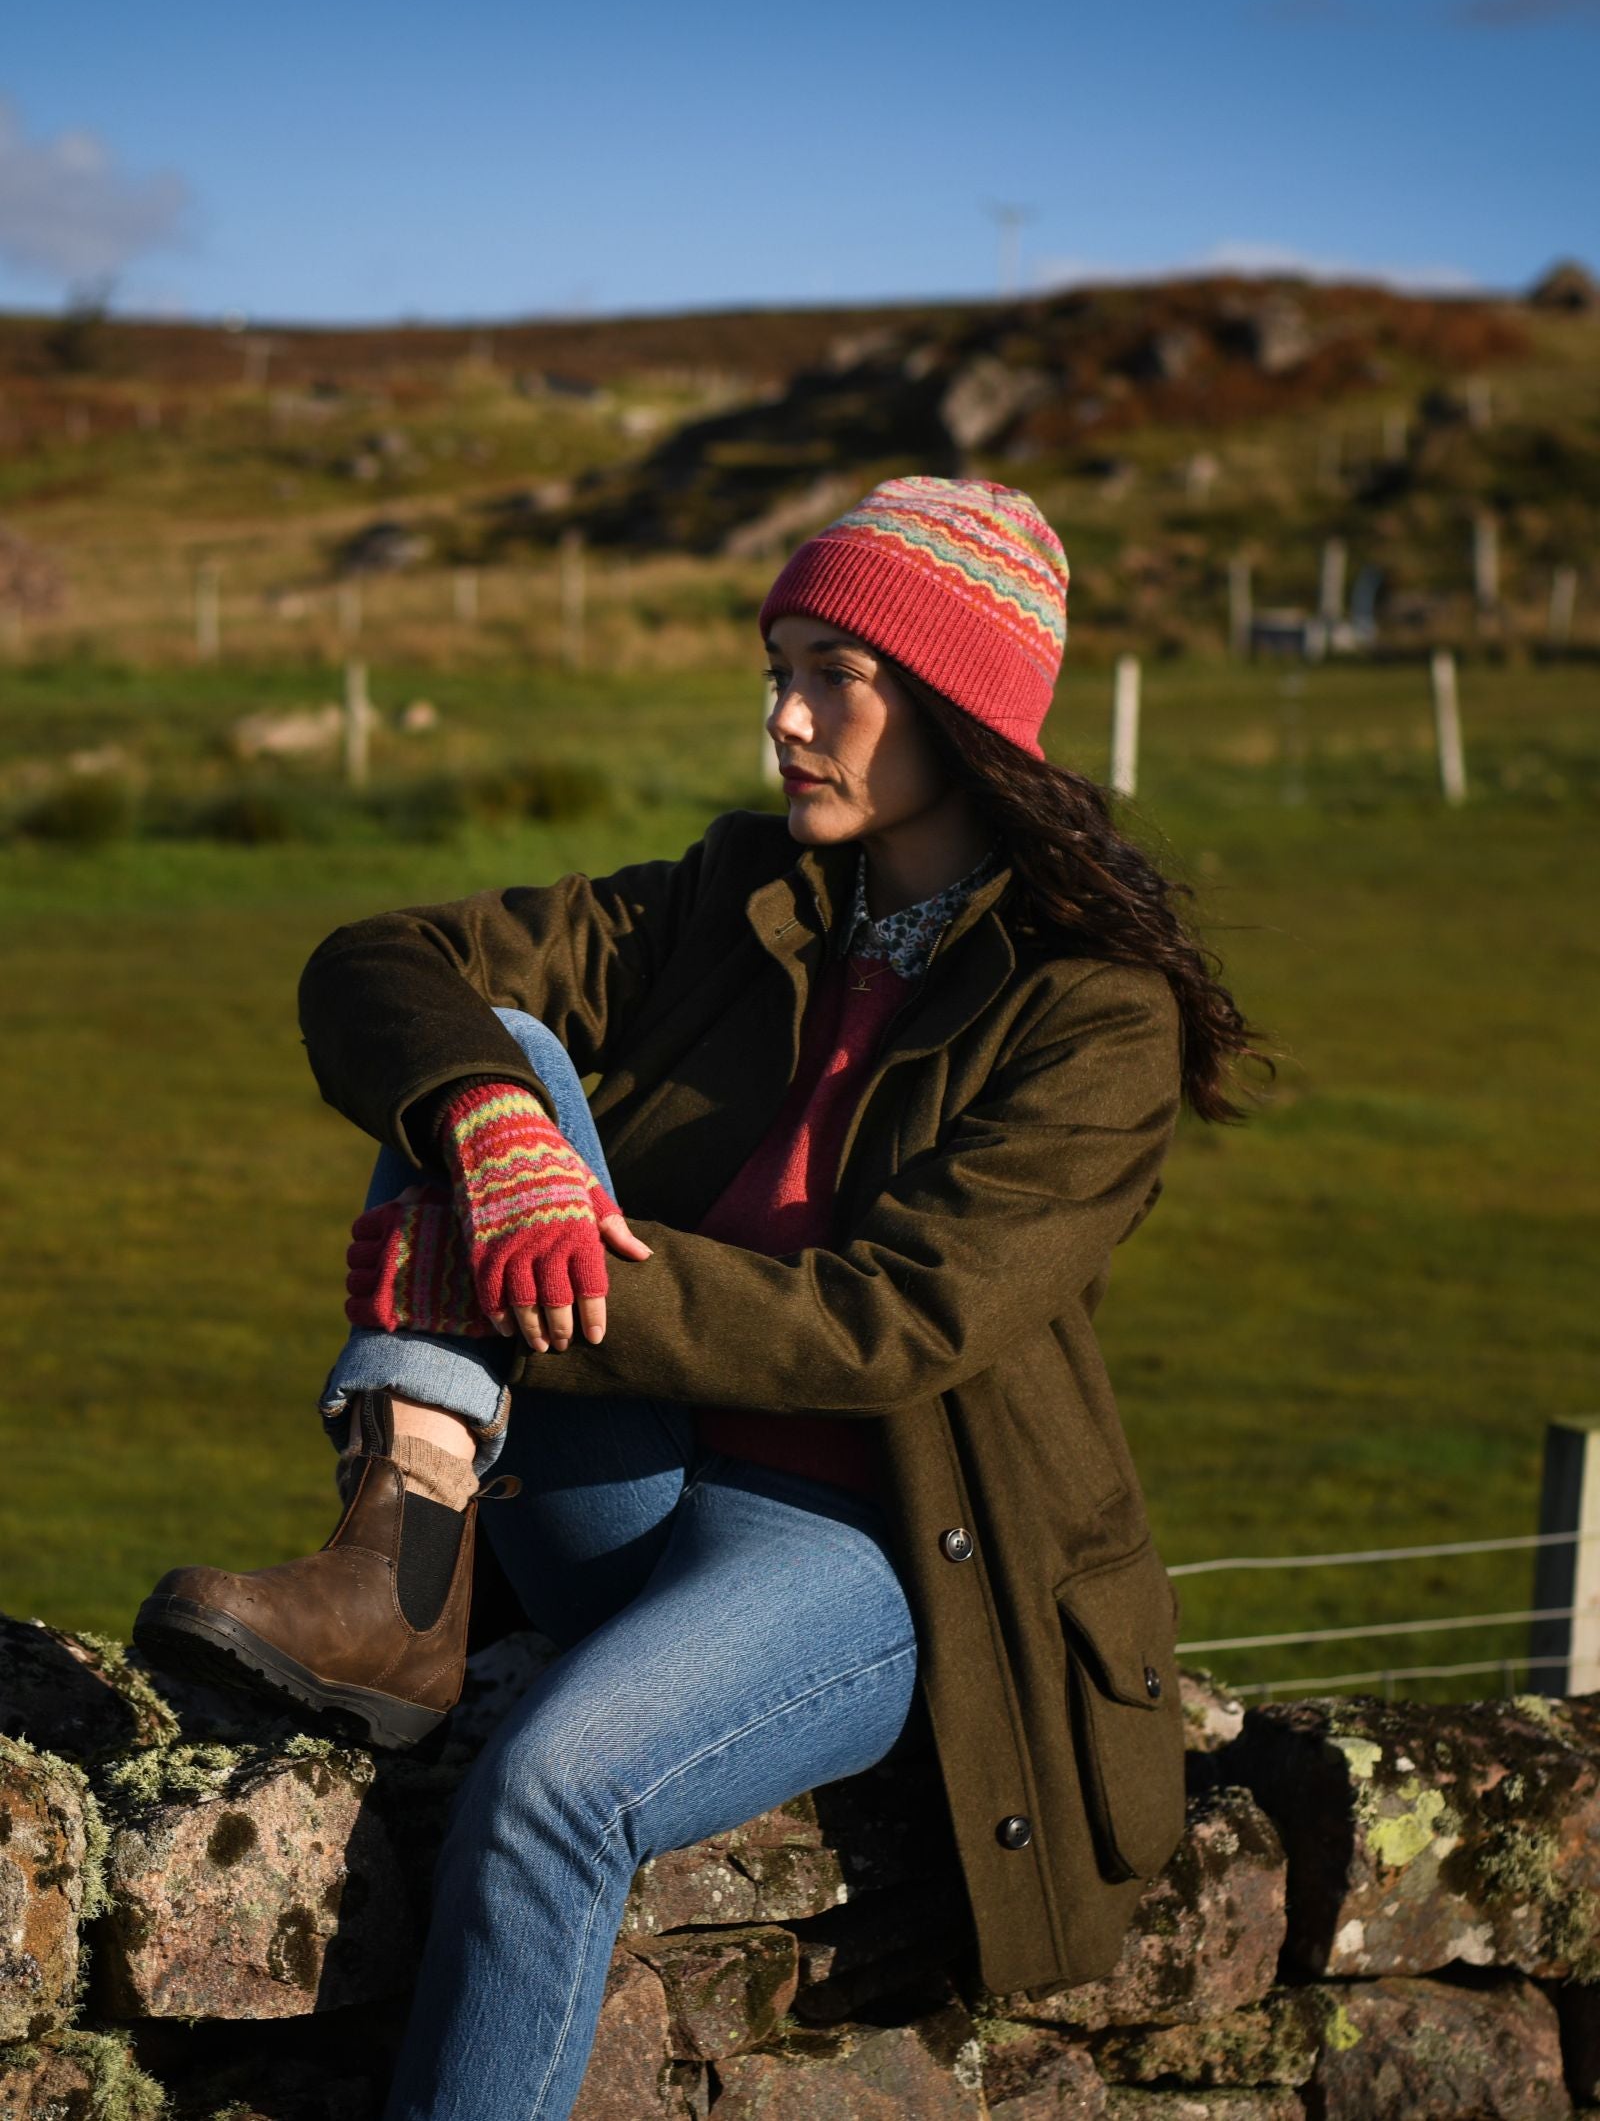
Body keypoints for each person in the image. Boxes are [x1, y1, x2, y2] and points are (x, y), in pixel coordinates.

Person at [136, 477, 1256, 2121]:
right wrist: (498, 1140)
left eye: (835, 676)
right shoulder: (735, 899)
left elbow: (905, 1321)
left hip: (874, 1551)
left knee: (552, 1785)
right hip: (626, 1480)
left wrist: (556, 1285)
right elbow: (374, 960)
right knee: (492, 1055)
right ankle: (403, 1562)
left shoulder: (1094, 1017)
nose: (786, 719)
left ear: (957, 703)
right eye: (776, 667)